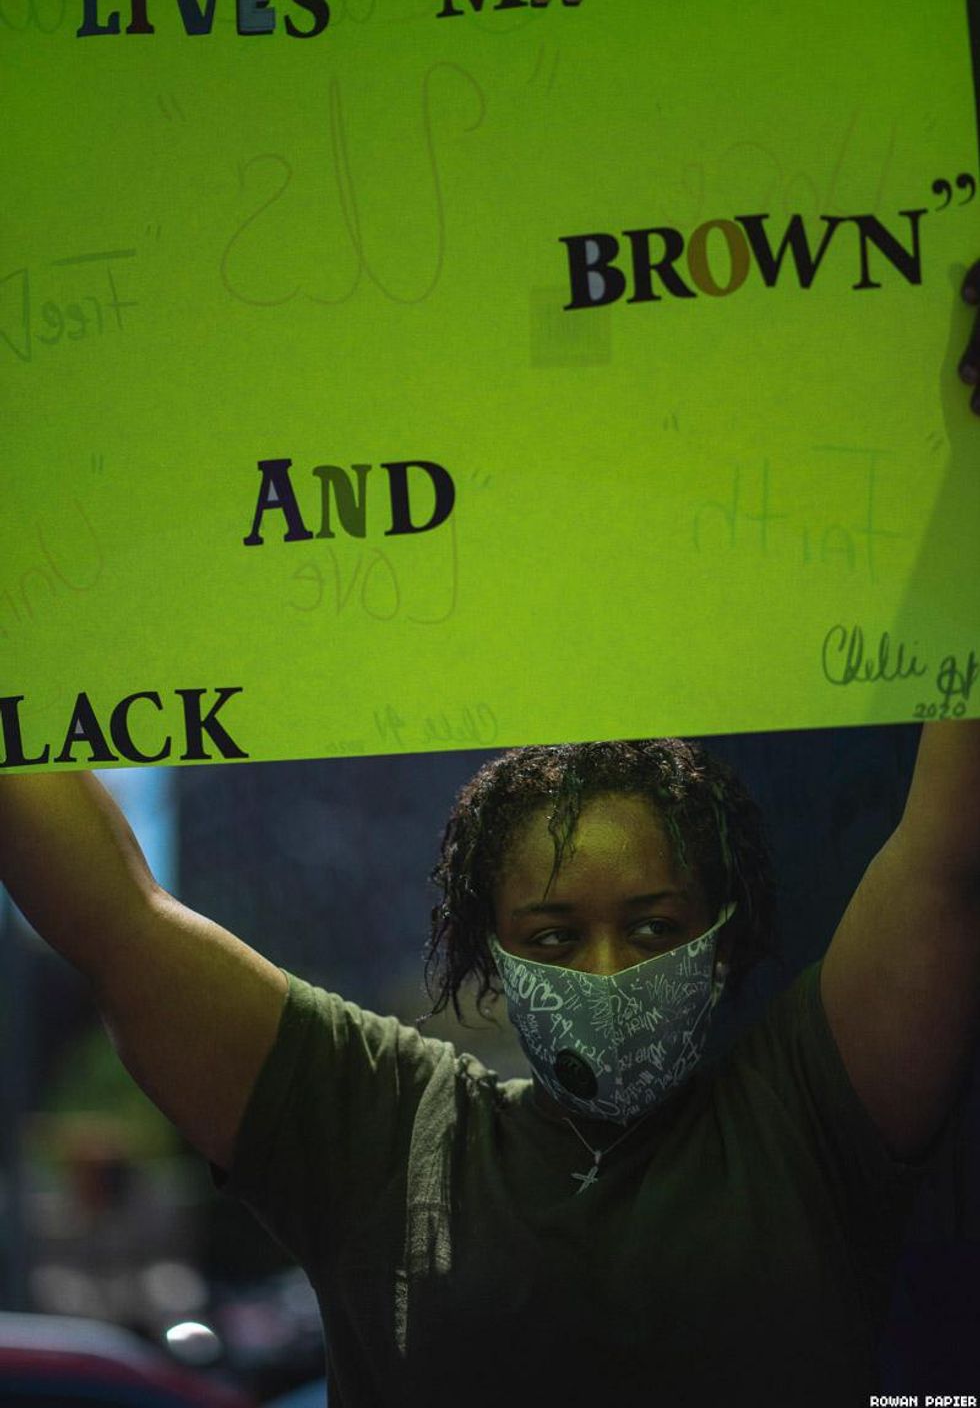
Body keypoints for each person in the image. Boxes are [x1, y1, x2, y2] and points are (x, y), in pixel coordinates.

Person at [2, 274, 980, 1407]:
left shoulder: (808, 1110)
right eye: (554, 935)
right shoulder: (381, 1128)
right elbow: (116, 923)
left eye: (652, 926)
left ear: (722, 936)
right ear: (490, 948)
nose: (606, 970)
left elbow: (949, 862)